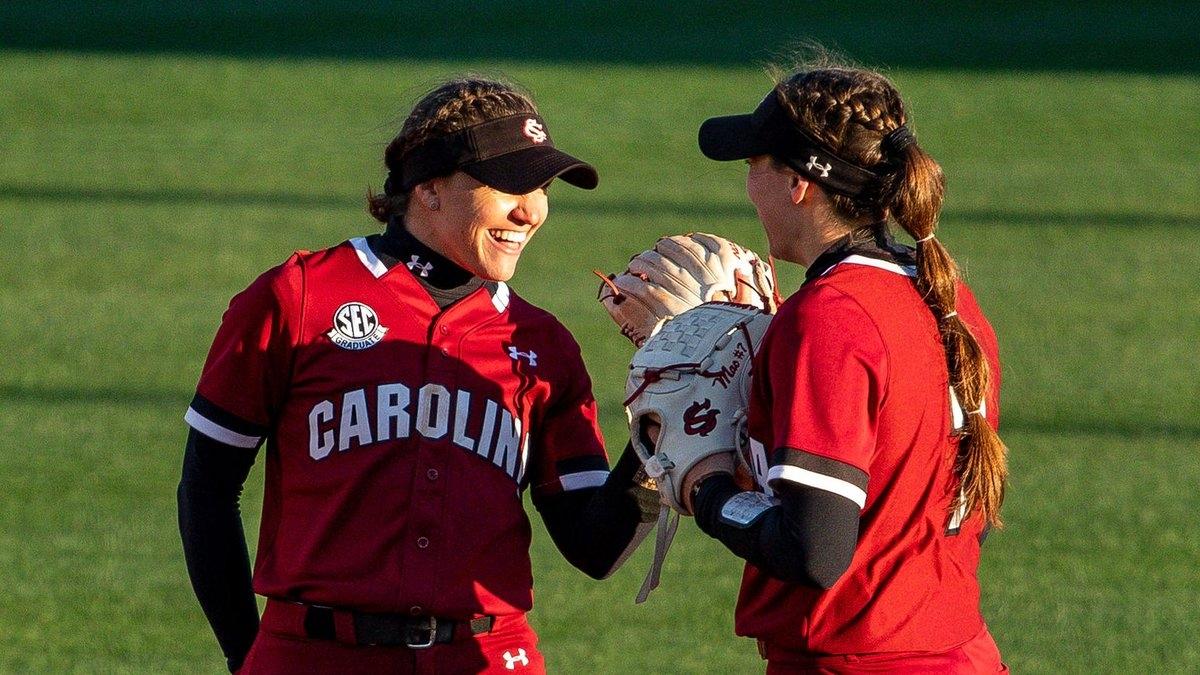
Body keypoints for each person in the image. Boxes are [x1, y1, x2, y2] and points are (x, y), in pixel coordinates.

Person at [177, 77, 657, 674]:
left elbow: (595, 547)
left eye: (541, 188)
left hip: (486, 656)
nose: (531, 210)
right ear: (428, 188)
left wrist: (659, 442)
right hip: (314, 655)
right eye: (509, 184)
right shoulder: (297, 299)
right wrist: (245, 656)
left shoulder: (542, 346)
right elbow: (207, 489)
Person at [677, 61, 1010, 672]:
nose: (748, 184)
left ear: (799, 182)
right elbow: (966, 512)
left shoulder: (830, 317)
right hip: (959, 651)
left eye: (755, 165)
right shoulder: (950, 299)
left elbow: (815, 552)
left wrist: (707, 488)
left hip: (856, 660)